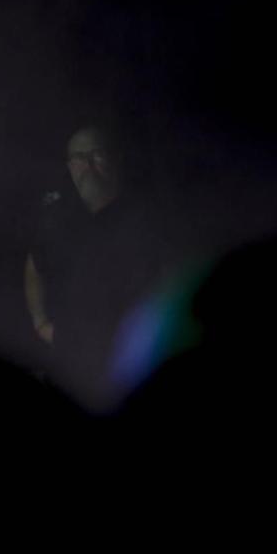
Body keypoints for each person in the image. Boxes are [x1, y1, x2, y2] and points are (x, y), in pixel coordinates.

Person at [24, 125, 169, 405]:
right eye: (78, 158)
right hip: (69, 361)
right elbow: (34, 265)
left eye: (96, 155)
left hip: (130, 365)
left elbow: (170, 281)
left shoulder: (148, 218)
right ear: (69, 166)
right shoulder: (58, 218)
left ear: (116, 159)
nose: (87, 165)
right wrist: (41, 323)